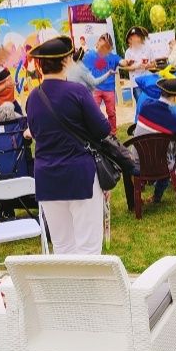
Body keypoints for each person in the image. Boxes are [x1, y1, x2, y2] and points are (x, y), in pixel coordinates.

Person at [26, 36, 111, 255]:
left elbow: (35, 132)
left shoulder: (33, 97)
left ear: (40, 65)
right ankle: (88, 291)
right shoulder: (77, 91)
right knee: (89, 247)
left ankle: (68, 290)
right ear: (66, 61)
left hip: (47, 177)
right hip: (79, 174)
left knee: (62, 247)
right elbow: (103, 129)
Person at [133, 77, 176, 204]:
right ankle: (156, 197)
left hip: (137, 163)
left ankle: (141, 185)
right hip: (162, 166)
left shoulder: (145, 106)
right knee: (169, 156)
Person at [82, 33, 123, 135]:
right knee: (93, 111)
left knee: (111, 112)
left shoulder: (113, 57)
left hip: (109, 89)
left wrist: (128, 62)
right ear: (98, 42)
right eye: (102, 40)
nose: (103, 43)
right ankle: (94, 133)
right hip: (95, 88)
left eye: (106, 43)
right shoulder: (89, 55)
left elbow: (123, 61)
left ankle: (113, 133)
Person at [123, 26, 154, 102]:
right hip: (136, 83)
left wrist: (147, 65)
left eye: (136, 36)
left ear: (140, 37)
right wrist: (135, 67)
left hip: (147, 80)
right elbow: (126, 67)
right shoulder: (128, 52)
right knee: (141, 104)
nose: (133, 39)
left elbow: (153, 63)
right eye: (131, 37)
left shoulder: (148, 49)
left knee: (151, 103)